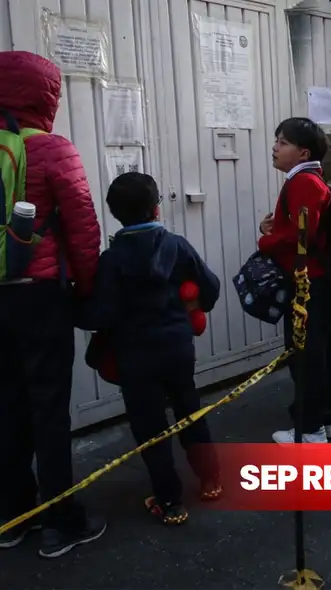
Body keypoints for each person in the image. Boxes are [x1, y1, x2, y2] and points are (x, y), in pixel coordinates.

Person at [0, 51, 106, 558]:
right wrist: (84, 289)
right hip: (39, 297)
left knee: (6, 405)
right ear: (46, 94)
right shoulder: (52, 148)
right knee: (49, 410)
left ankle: (11, 517)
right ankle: (62, 522)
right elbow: (83, 226)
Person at [82, 172, 223, 525]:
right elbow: (211, 287)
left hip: (135, 355)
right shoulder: (177, 246)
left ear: (114, 214)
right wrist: (192, 305)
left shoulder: (111, 260)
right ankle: (210, 480)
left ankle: (169, 500)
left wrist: (69, 304)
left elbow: (101, 314)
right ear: (157, 209)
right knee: (189, 409)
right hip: (177, 347)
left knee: (150, 427)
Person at [258, 118, 331, 444]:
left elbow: (301, 234)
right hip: (316, 282)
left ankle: (309, 430)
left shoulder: (304, 182)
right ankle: (327, 421)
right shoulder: (308, 180)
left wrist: (267, 241)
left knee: (305, 355)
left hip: (308, 285)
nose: (275, 148)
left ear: (303, 151)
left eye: (282, 142)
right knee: (320, 353)